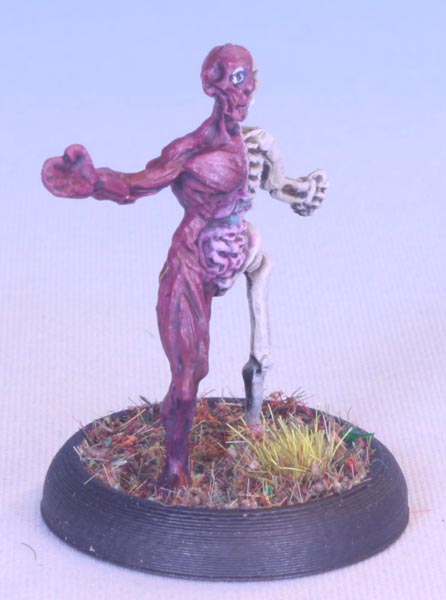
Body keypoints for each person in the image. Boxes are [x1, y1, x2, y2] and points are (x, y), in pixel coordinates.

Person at [42, 43, 327, 490]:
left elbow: (277, 186)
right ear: (211, 86)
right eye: (234, 79)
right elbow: (136, 184)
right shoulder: (188, 151)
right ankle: (175, 467)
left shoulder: (255, 141)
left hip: (238, 244)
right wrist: (93, 182)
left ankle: (234, 406)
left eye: (248, 77)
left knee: (259, 269)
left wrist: (302, 192)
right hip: (193, 257)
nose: (244, 89)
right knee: (190, 372)